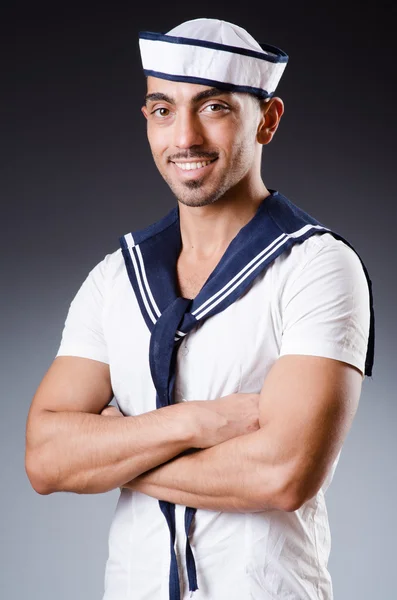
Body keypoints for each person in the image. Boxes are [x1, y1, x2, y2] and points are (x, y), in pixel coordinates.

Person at [25, 17, 374, 600]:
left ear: (267, 119)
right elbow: (44, 459)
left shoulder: (318, 267)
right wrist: (199, 424)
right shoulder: (116, 278)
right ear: (146, 120)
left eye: (213, 108)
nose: (183, 137)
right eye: (163, 110)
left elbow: (282, 474)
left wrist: (116, 448)